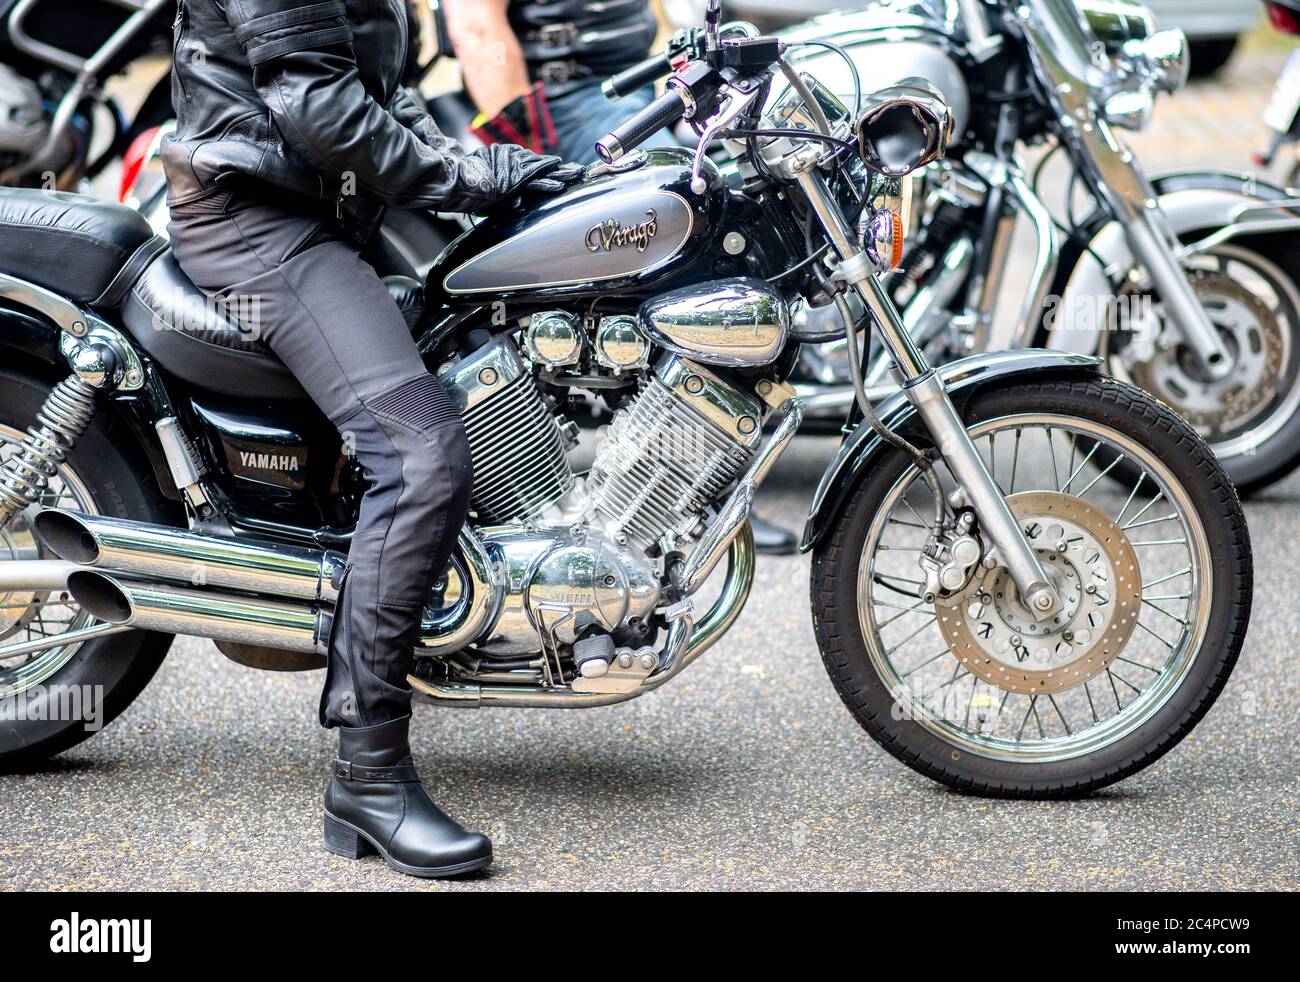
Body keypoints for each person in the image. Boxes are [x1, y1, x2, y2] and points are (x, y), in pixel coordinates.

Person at [163, 0, 583, 879]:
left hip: (326, 198)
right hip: (258, 222)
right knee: (420, 450)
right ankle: (368, 777)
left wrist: (485, 173)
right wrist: (468, 179)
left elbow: (378, 94)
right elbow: (318, 110)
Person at [442, 0, 798, 554]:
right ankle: (683, 500)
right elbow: (475, 22)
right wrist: (527, 146)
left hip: (627, 84)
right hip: (561, 100)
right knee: (682, 234)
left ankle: (695, 485)